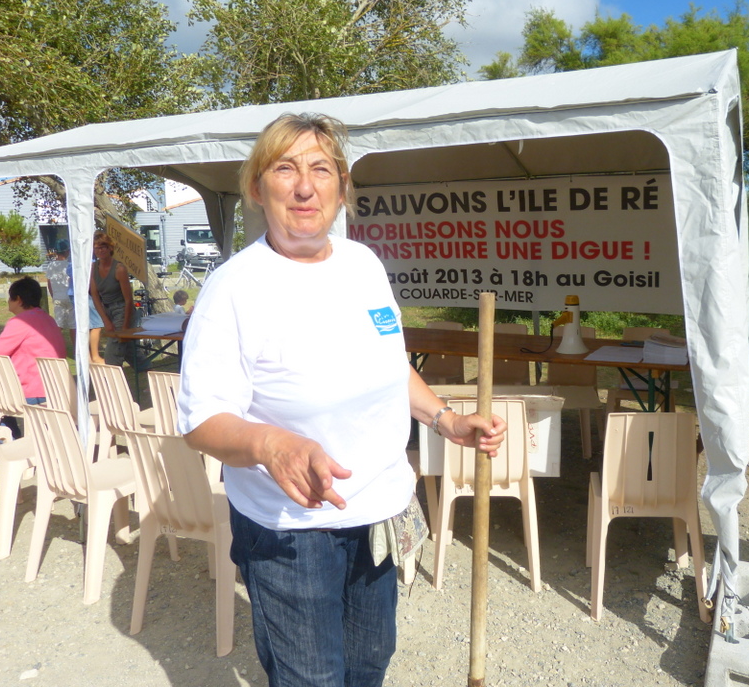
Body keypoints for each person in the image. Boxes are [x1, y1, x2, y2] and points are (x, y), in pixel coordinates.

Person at [177, 112, 507, 687]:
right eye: (286, 168)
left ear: (341, 187)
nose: (305, 186)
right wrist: (271, 443)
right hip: (289, 529)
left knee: (368, 666)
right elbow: (201, 421)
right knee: (312, 679)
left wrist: (444, 419)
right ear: (258, 187)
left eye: (321, 169)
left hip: (377, 510)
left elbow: (389, 364)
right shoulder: (233, 287)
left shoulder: (363, 264)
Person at [0, 277, 66, 437]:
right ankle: (12, 439)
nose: (8, 301)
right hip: (55, 388)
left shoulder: (21, 322)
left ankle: (6, 446)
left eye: (10, 297)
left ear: (18, 299)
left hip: (32, 390)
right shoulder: (48, 319)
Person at [89, 231, 134, 366]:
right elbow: (95, 296)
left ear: (110, 248)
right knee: (130, 352)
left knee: (113, 352)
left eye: (103, 247)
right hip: (106, 308)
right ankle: (149, 372)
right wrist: (106, 321)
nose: (100, 250)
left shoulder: (119, 269)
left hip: (122, 309)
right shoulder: (93, 268)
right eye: (97, 248)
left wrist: (125, 326)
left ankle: (112, 383)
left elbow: (128, 300)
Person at [44, 239, 73, 332]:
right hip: (70, 297)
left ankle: (56, 345)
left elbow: (49, 283)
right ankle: (75, 346)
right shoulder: (70, 265)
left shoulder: (51, 266)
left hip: (58, 297)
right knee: (73, 326)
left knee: (58, 325)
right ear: (67, 251)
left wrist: (53, 296)